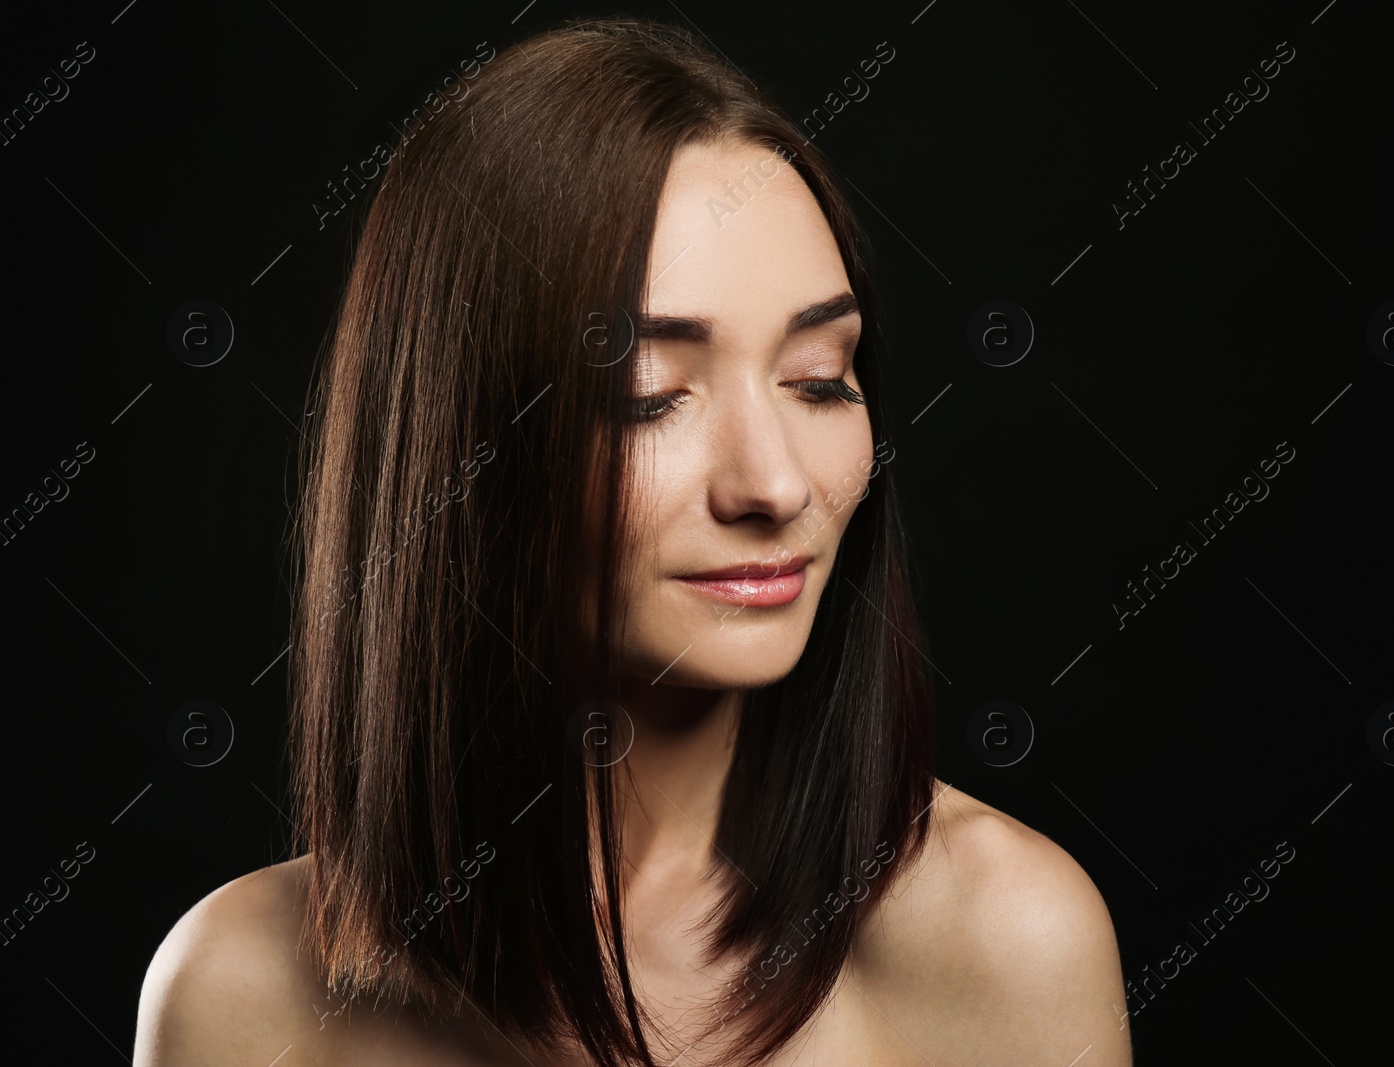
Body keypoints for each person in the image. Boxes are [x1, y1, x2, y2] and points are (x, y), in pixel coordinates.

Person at [133, 17, 1133, 1066]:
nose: (775, 482)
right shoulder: (237, 998)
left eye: (818, 380)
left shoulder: (1005, 941)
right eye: (650, 398)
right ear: (458, 448)